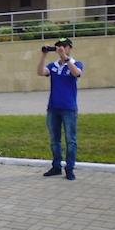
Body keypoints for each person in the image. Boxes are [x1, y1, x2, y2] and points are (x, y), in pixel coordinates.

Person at [37, 37, 84, 181]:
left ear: (70, 48)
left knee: (71, 140)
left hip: (69, 108)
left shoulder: (76, 63)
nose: (61, 48)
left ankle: (69, 168)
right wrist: (43, 55)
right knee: (54, 140)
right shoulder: (53, 66)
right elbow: (40, 72)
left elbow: (77, 73)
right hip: (53, 108)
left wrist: (65, 58)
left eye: (64, 46)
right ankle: (56, 166)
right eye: (58, 46)